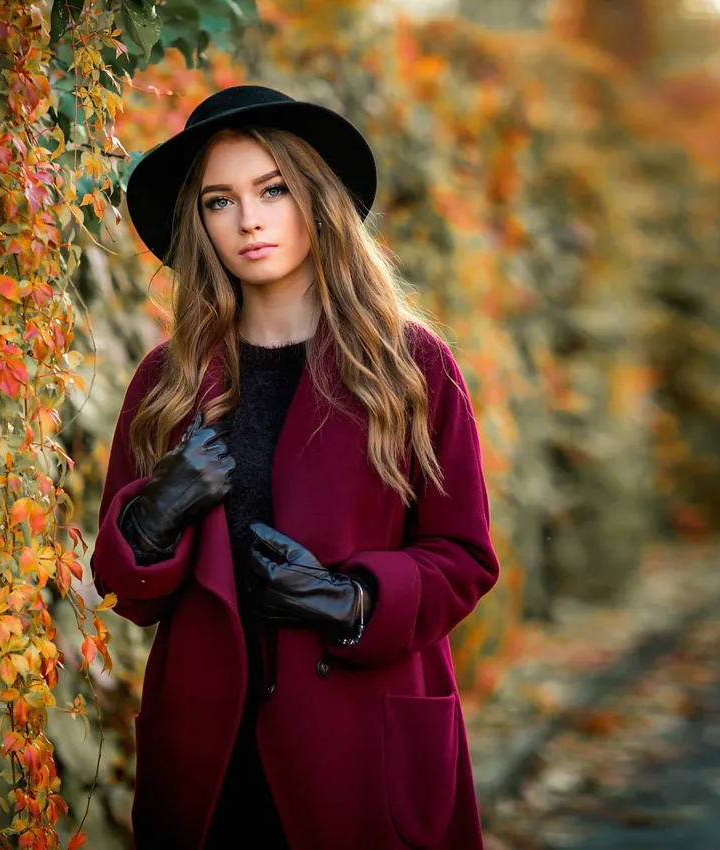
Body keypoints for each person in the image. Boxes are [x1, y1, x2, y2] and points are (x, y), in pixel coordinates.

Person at [90, 85, 500, 850]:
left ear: (314, 197)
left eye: (271, 189)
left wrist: (354, 600)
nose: (248, 219)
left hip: (363, 754)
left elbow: (464, 559)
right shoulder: (167, 381)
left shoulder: (410, 368)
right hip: (211, 765)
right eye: (220, 200)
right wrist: (156, 515)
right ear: (199, 222)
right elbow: (126, 589)